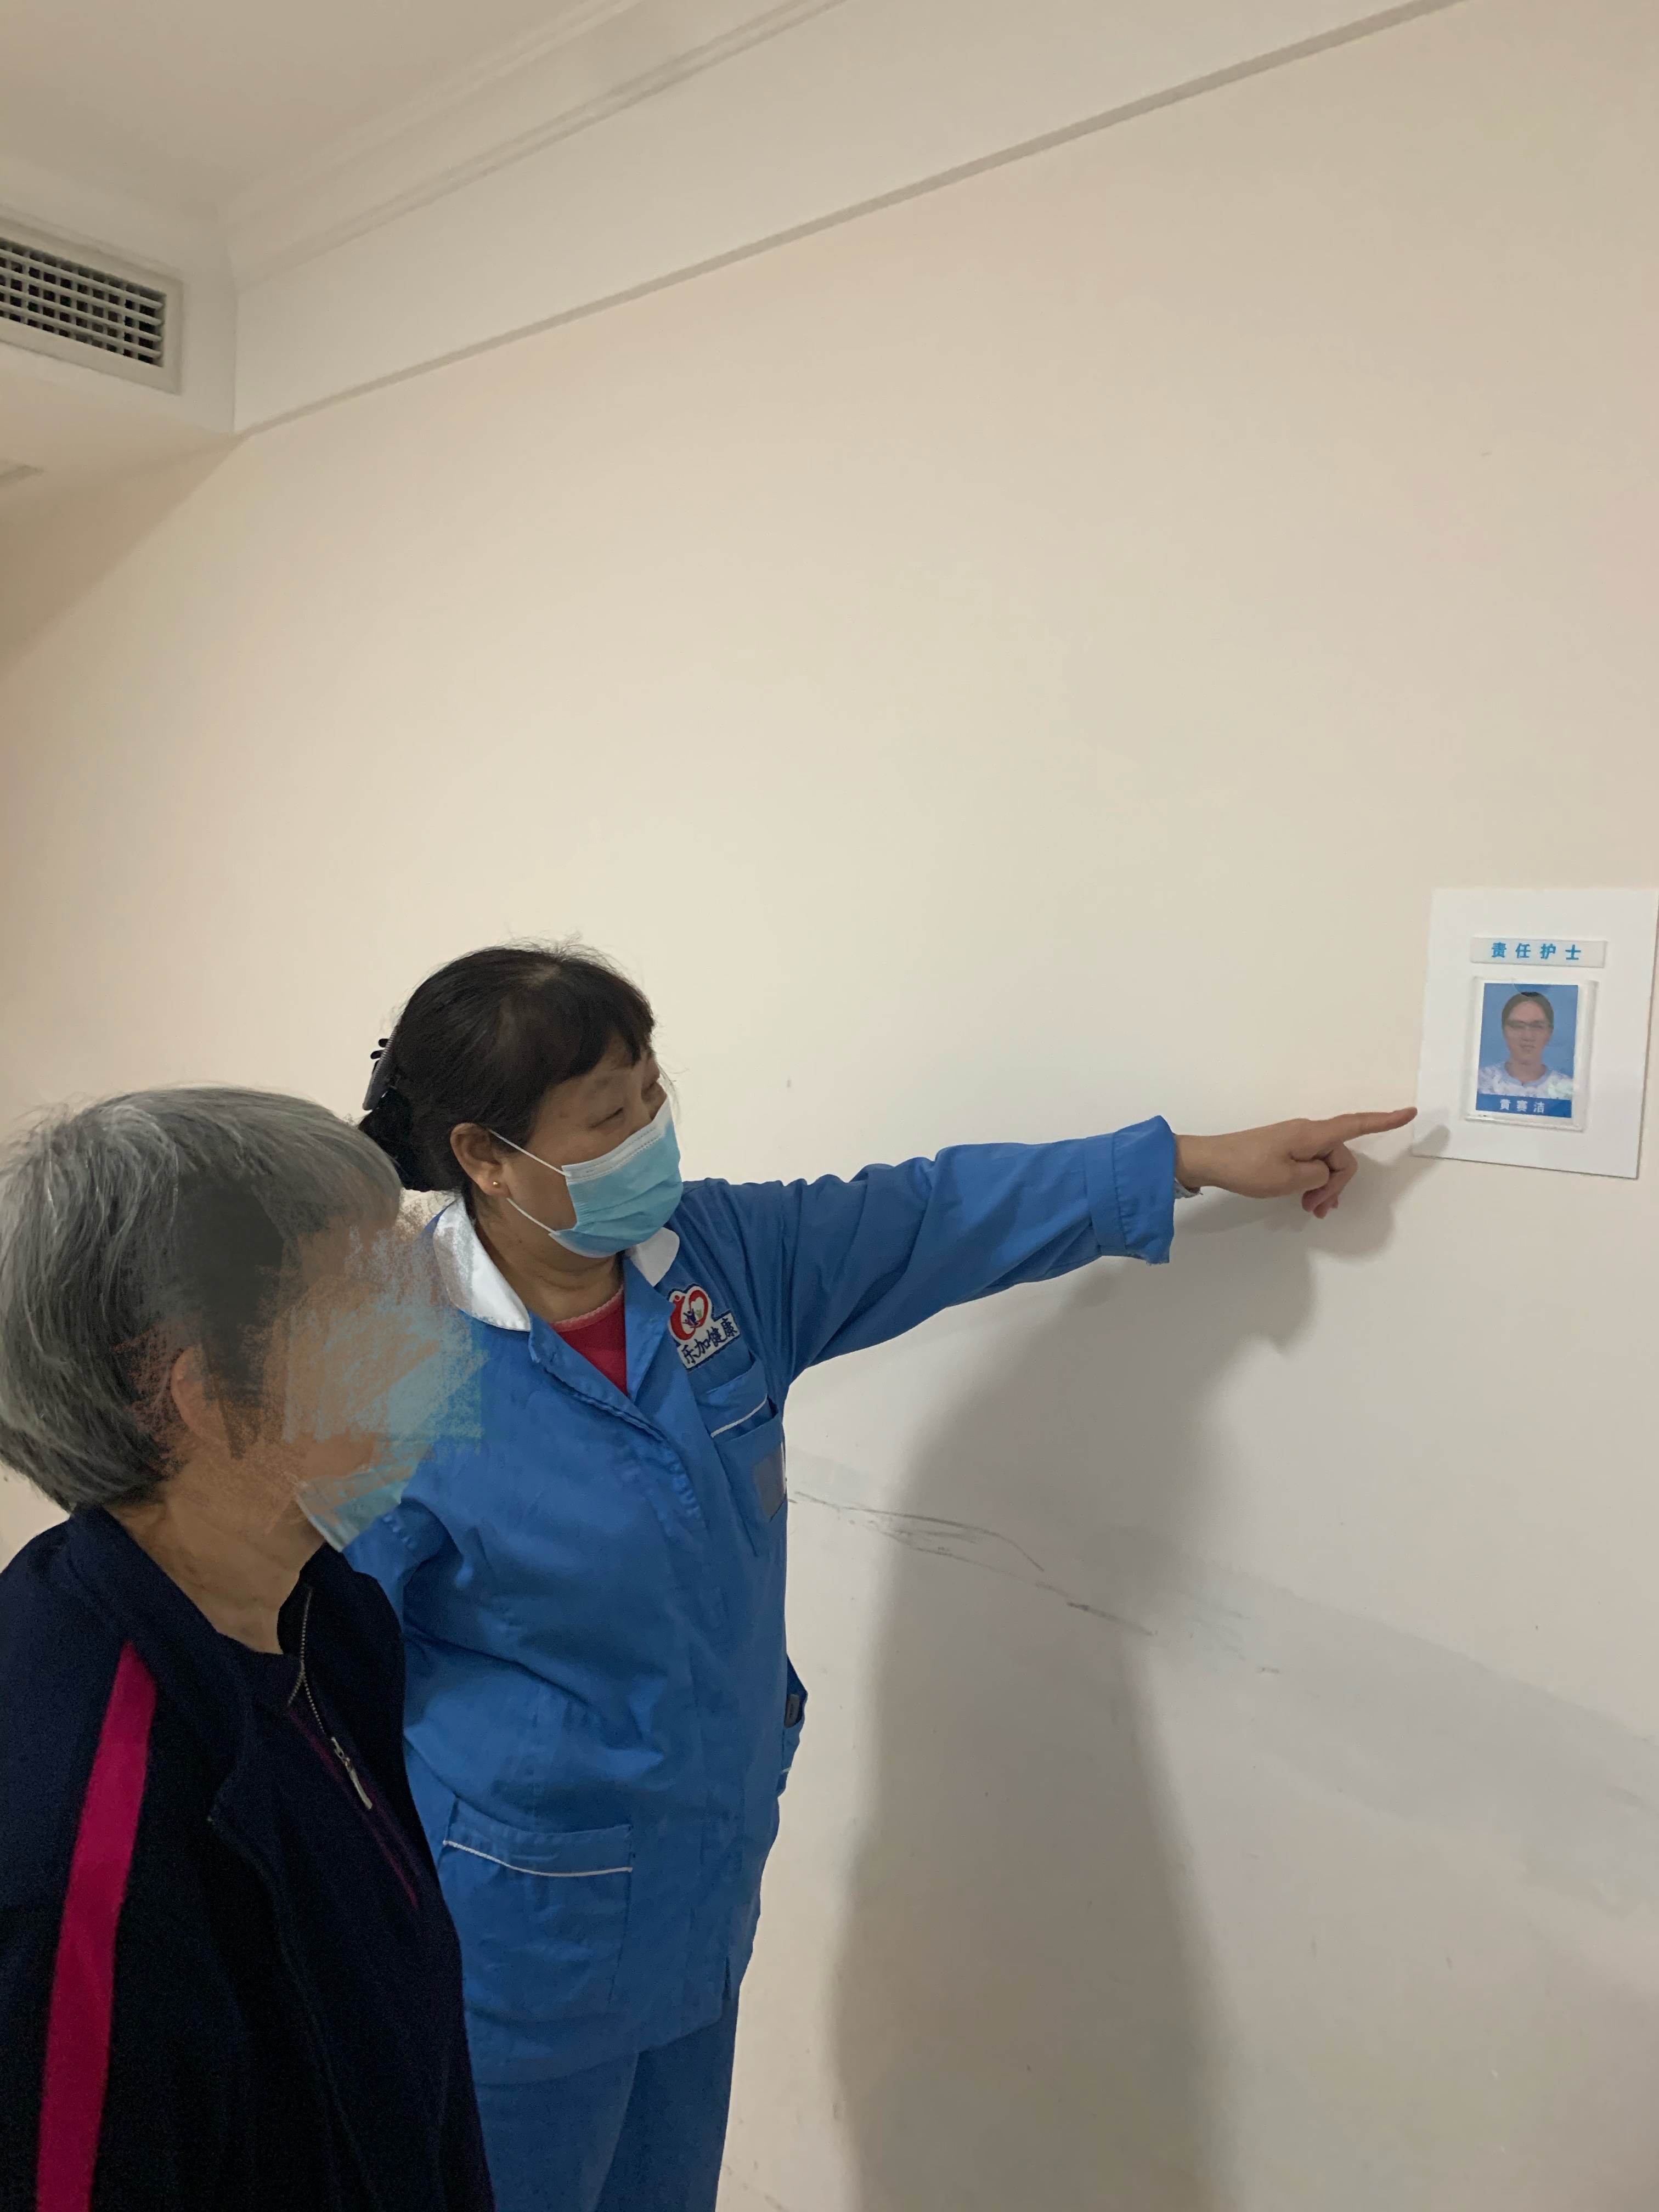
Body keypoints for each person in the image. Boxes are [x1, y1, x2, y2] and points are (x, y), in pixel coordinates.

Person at [346, 942, 1414, 2212]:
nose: (649, 1133)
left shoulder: (717, 1263)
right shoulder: (383, 1363)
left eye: (652, 1092)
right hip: (515, 1945)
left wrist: (1185, 1160)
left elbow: (932, 1216)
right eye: (606, 1116)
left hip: (699, 1895)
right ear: (485, 1156)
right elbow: (317, 1672)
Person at [0, 1088, 495, 2212]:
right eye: (368, 1297)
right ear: (201, 1394)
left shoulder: (322, 1619)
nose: (428, 1326)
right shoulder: (85, 1845)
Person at [1477, 988, 1575, 1100]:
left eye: (1537, 1027)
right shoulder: (1481, 1082)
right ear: (1504, 1030)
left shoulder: (1566, 1090)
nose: (1528, 1036)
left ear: (1550, 1033)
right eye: (1518, 1026)